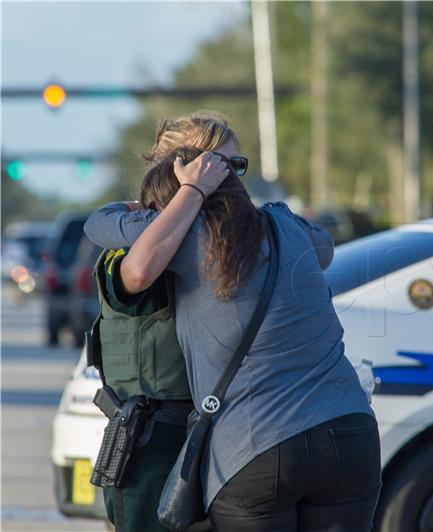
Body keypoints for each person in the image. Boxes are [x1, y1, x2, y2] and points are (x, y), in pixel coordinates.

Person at [84, 131, 381, 529]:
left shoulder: (188, 238)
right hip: (350, 431)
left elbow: (102, 226)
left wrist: (187, 191)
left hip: (258, 446)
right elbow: (324, 245)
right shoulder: (284, 224)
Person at [91, 111, 246, 532]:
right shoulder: (131, 249)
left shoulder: (226, 245)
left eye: (237, 168)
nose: (233, 181)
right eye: (221, 168)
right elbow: (138, 275)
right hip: (153, 445)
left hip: (221, 440)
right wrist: (192, 194)